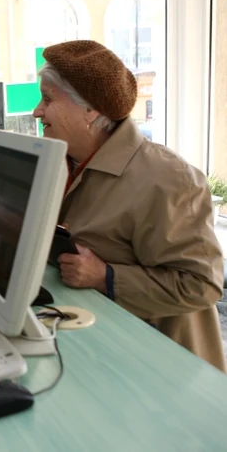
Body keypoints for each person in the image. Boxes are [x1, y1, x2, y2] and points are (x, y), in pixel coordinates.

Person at [32, 40, 225, 372]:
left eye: (48, 99)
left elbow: (201, 285)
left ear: (90, 111)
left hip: (161, 372)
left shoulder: (168, 179)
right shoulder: (60, 160)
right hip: (90, 348)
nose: (37, 110)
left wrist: (105, 276)